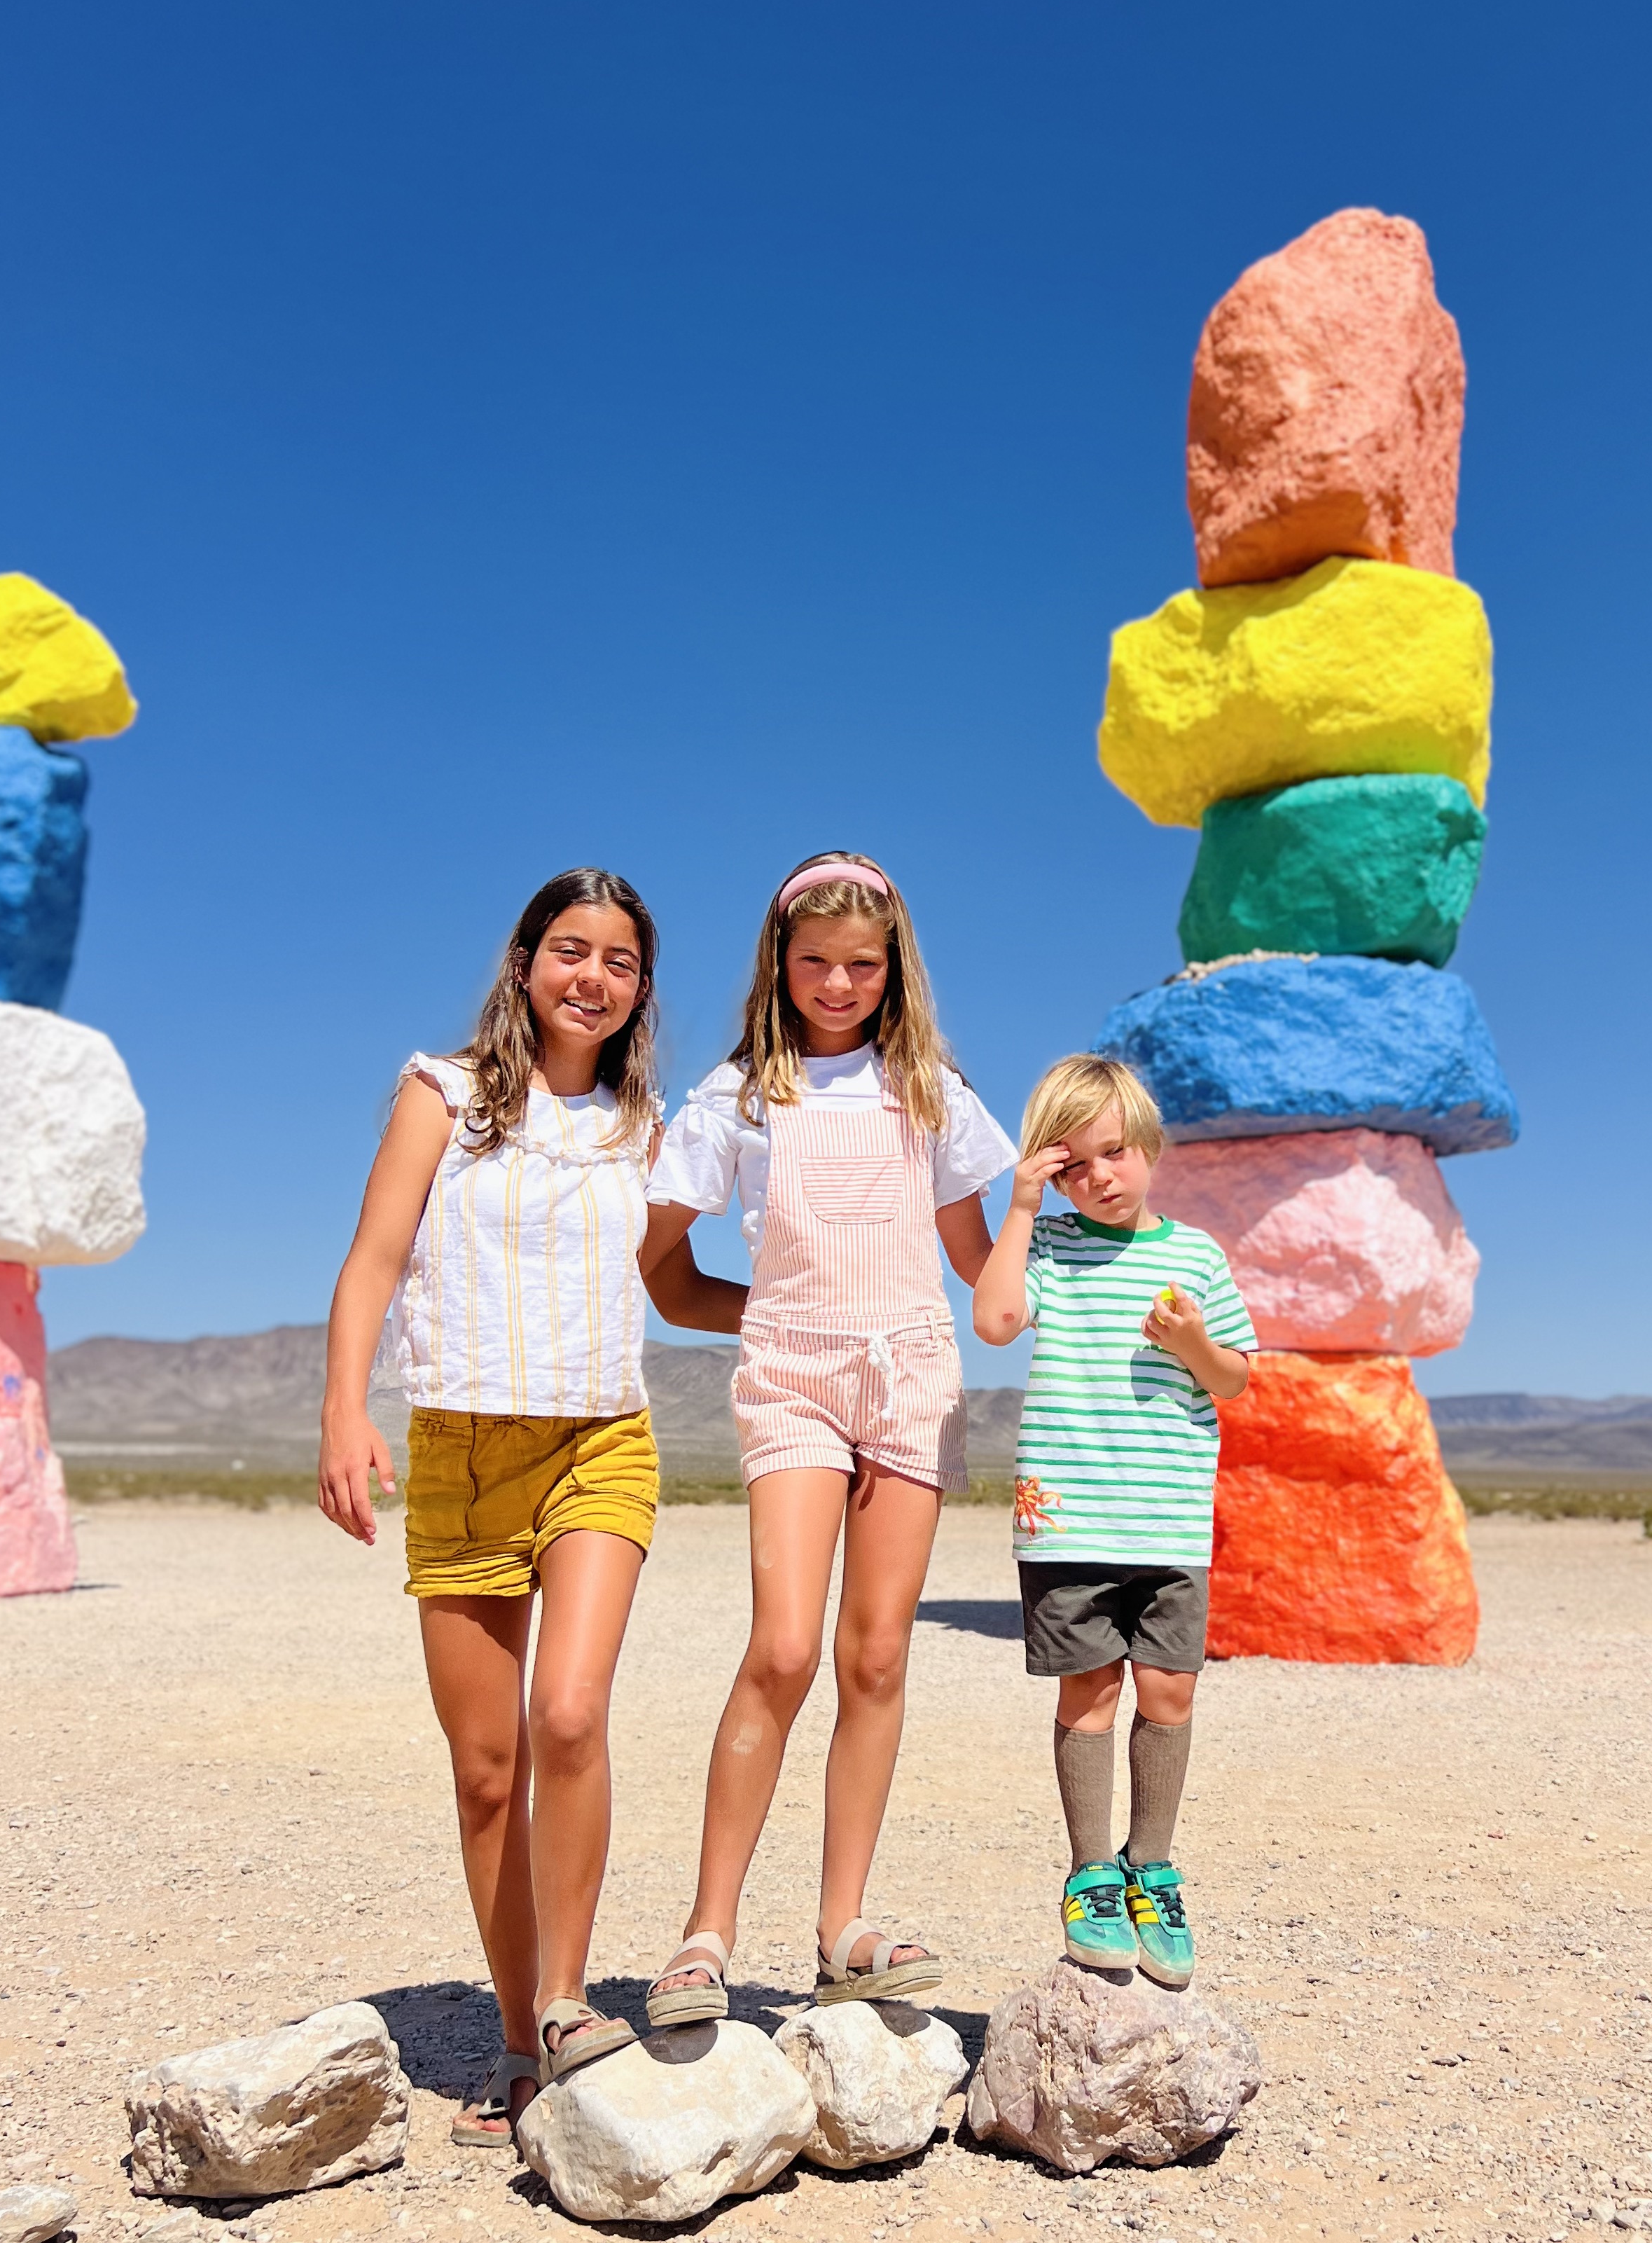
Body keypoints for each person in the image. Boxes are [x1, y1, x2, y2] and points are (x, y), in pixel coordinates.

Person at [318, 869, 664, 2147]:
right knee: (484, 1772)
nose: (593, 977)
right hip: (458, 1450)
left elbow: (699, 1264)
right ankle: (518, 2039)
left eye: (619, 961)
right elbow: (375, 1254)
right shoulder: (444, 1094)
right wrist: (343, 1409)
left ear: (640, 989)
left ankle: (568, 2008)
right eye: (570, 950)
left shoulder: (653, 1124)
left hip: (599, 1444)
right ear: (526, 962)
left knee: (567, 1713)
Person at [638, 851, 1015, 2022]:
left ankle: (843, 1928)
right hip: (792, 1380)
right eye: (815, 964)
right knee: (785, 1648)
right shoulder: (735, 1099)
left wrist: (1070, 1231)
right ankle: (705, 1935)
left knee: (877, 1657)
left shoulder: (935, 1095)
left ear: (891, 968)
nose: (838, 985)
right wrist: (775, 1318)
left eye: (860, 966)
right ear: (779, 964)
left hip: (911, 1373)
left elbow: (974, 1261)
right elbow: (662, 1271)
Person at [971, 1053, 1255, 1987]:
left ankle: (1152, 1868)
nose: (1098, 1176)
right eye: (1071, 1165)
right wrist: (1018, 1208)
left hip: (1166, 1522)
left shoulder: (1196, 1256)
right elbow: (997, 1321)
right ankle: (1090, 1873)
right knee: (1087, 1699)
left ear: (1149, 1147)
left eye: (1114, 1153)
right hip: (1069, 1525)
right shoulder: (1049, 1247)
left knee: (1168, 1696)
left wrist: (1192, 1344)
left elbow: (1235, 1381)